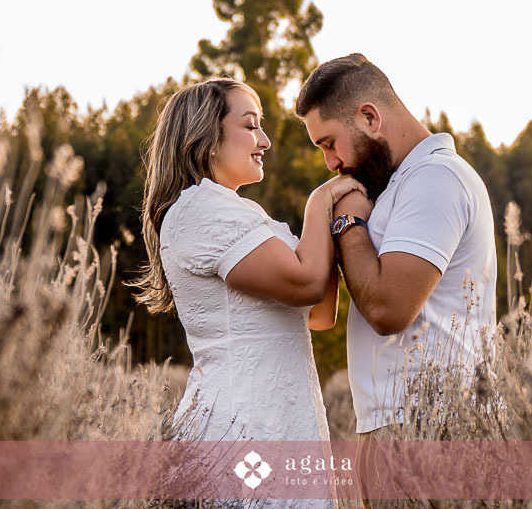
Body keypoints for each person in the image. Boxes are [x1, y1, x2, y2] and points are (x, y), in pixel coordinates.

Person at [132, 78, 363, 450]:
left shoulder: (245, 214)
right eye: (251, 125)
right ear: (204, 138)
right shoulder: (200, 210)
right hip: (240, 425)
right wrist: (321, 201)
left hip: (283, 416)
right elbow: (307, 284)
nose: (265, 141)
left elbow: (320, 314)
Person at [295, 53, 498, 442]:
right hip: (406, 424)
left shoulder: (435, 178)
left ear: (370, 117)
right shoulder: (400, 185)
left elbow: (389, 309)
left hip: (432, 427)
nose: (330, 161)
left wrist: (348, 221)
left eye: (330, 143)